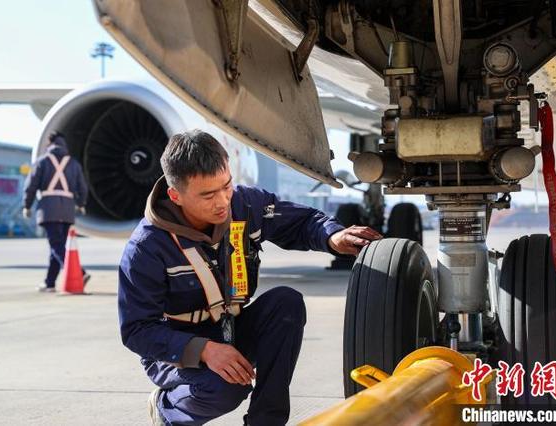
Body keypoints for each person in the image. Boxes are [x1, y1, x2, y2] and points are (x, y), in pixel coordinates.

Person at [118, 130, 382, 425]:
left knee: (286, 303)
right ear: (175, 195)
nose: (222, 202)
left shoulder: (244, 206)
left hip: (230, 329)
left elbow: (303, 221)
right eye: (208, 195)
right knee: (226, 388)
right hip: (176, 350)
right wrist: (203, 350)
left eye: (226, 186)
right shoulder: (147, 247)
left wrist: (333, 235)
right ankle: (167, 409)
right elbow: (137, 330)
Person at [23, 131, 91, 292]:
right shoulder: (73, 163)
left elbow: (31, 186)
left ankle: (80, 273)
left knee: (56, 245)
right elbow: (82, 187)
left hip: (49, 209)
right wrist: (81, 203)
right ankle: (49, 282)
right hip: (67, 210)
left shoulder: (42, 162)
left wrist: (27, 205)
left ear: (50, 144)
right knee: (58, 245)